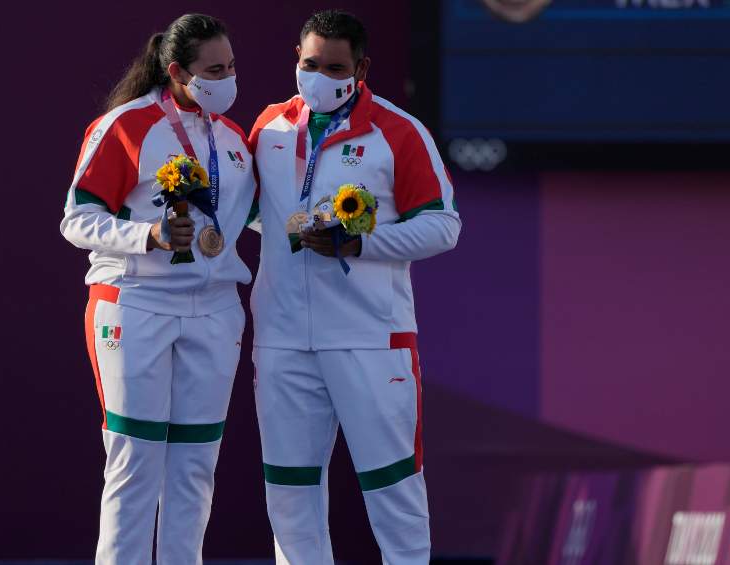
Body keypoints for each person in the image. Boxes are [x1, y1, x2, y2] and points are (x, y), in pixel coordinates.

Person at [247, 10, 462, 564]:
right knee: (290, 495)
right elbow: (256, 213)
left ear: (361, 68)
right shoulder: (268, 126)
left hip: (371, 338)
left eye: (335, 66)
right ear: (296, 58)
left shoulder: (398, 130)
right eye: (309, 63)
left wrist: (361, 243)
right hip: (283, 337)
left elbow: (443, 225)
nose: (320, 76)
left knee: (393, 492)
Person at [59, 13, 254, 565]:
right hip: (136, 304)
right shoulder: (126, 125)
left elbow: (256, 217)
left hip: (215, 309)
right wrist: (147, 234)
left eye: (232, 65)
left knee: (195, 467)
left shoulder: (235, 140)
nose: (228, 78)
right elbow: (77, 219)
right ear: (175, 71)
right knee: (136, 461)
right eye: (214, 70)